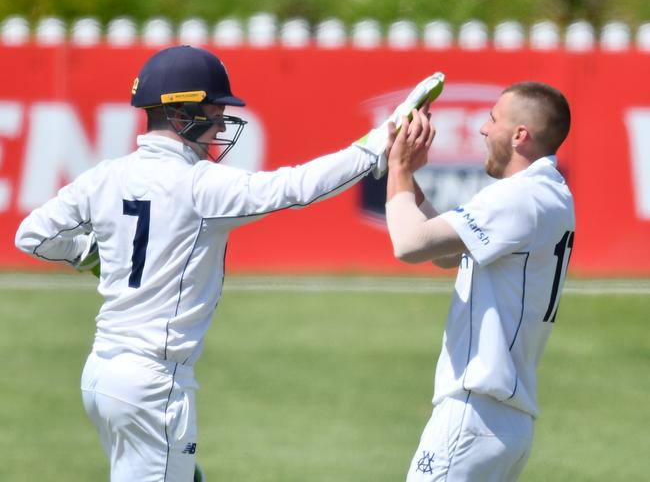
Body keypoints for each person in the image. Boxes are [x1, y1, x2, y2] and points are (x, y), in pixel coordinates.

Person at [14, 44, 442, 481]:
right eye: (214, 112)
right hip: (153, 382)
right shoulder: (200, 184)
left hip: (101, 375)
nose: (222, 123)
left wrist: (88, 255)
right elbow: (296, 187)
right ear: (183, 115)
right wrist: (378, 144)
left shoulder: (106, 174)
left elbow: (32, 235)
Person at [384, 81, 574, 481]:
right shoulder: (548, 193)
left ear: (520, 135)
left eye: (492, 119)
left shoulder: (520, 197)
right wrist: (409, 178)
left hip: (474, 414)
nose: (484, 129)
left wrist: (398, 168)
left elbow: (409, 244)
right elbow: (446, 253)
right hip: (506, 423)